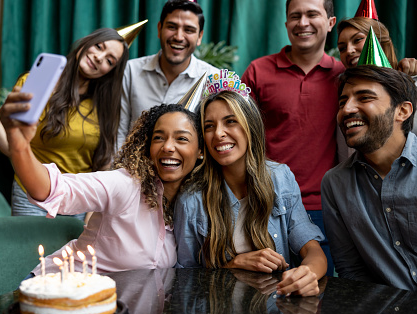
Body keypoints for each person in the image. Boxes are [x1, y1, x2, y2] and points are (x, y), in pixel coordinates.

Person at [0, 86, 203, 273]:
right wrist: (20, 146)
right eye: (158, 137)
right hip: (60, 291)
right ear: (147, 147)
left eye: (181, 139)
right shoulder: (125, 185)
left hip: (116, 308)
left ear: (201, 151)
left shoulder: (194, 205)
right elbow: (53, 189)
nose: (167, 147)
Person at [175, 88, 327, 297]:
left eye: (230, 121)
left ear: (250, 127)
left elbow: (311, 249)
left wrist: (307, 273)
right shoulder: (191, 198)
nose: (218, 133)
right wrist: (233, 263)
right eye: (209, 126)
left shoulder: (280, 178)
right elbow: (185, 278)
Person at [0, 28, 130, 219]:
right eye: (98, 46)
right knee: (28, 250)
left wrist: (92, 213)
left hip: (79, 203)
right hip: (32, 196)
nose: (99, 57)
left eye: (109, 60)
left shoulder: (106, 105)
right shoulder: (36, 84)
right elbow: (11, 147)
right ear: (86, 43)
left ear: (111, 71)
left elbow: (104, 164)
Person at [240, 0, 343, 277]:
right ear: (286, 24)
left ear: (330, 23)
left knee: (316, 299)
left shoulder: (343, 76)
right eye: (295, 16)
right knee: (261, 303)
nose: (303, 22)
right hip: (265, 205)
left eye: (312, 14)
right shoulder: (258, 71)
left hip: (326, 208)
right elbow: (240, 135)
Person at [322, 65, 417, 291]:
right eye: (342, 102)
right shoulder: (335, 183)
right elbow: (351, 271)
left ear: (402, 111)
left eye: (365, 97)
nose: (347, 109)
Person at [118, 0, 217, 149]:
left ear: (200, 37)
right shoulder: (130, 71)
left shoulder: (213, 79)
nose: (178, 36)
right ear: (159, 29)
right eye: (172, 27)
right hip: (131, 169)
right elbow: (119, 134)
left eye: (189, 30)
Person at [337, 16, 417, 75]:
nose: (348, 51)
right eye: (342, 48)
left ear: (380, 41)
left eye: (358, 40)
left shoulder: (410, 80)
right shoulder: (341, 89)